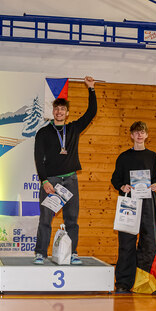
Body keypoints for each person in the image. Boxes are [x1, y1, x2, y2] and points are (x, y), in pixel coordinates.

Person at [33, 76, 97, 265]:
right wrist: (44, 181)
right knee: (46, 219)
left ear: (67, 113)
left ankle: (72, 253)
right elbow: (38, 158)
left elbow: (91, 112)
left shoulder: (74, 128)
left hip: (70, 180)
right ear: (52, 111)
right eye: (56, 109)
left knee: (72, 219)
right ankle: (40, 253)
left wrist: (91, 88)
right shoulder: (43, 133)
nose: (59, 112)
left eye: (62, 109)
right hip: (51, 181)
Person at [110, 121, 156, 292]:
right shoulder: (123, 157)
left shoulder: (152, 156)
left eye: (142, 132)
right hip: (129, 203)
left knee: (149, 243)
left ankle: (144, 282)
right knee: (126, 243)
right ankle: (123, 283)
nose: (139, 135)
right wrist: (122, 186)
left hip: (147, 203)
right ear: (131, 135)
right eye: (136, 132)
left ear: (147, 135)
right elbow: (115, 179)